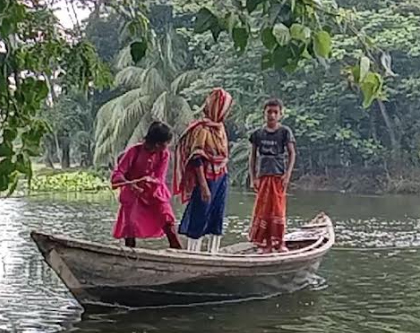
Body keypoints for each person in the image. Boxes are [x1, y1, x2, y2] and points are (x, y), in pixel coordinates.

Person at [174, 88, 233, 253]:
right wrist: (203, 186)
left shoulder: (219, 128)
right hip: (206, 177)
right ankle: (193, 252)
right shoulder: (203, 129)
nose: (227, 112)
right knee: (200, 213)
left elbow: (222, 154)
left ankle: (213, 252)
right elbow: (196, 157)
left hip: (221, 176)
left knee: (217, 213)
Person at [111, 121, 182, 249]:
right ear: (157, 143)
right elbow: (118, 174)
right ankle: (130, 252)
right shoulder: (134, 151)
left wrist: (149, 181)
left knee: (167, 218)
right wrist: (131, 185)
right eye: (166, 143)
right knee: (130, 225)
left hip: (154, 193)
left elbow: (159, 177)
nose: (167, 146)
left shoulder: (164, 154)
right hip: (133, 194)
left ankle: (177, 250)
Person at [247, 99, 296, 253]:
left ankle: (279, 242)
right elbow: (252, 157)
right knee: (263, 210)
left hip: (278, 176)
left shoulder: (285, 132)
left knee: (278, 209)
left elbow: (292, 153)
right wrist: (253, 177)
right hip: (263, 176)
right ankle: (265, 243)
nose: (272, 115)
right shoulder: (257, 134)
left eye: (275, 112)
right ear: (264, 113)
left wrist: (287, 175)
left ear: (280, 114)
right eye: (269, 112)